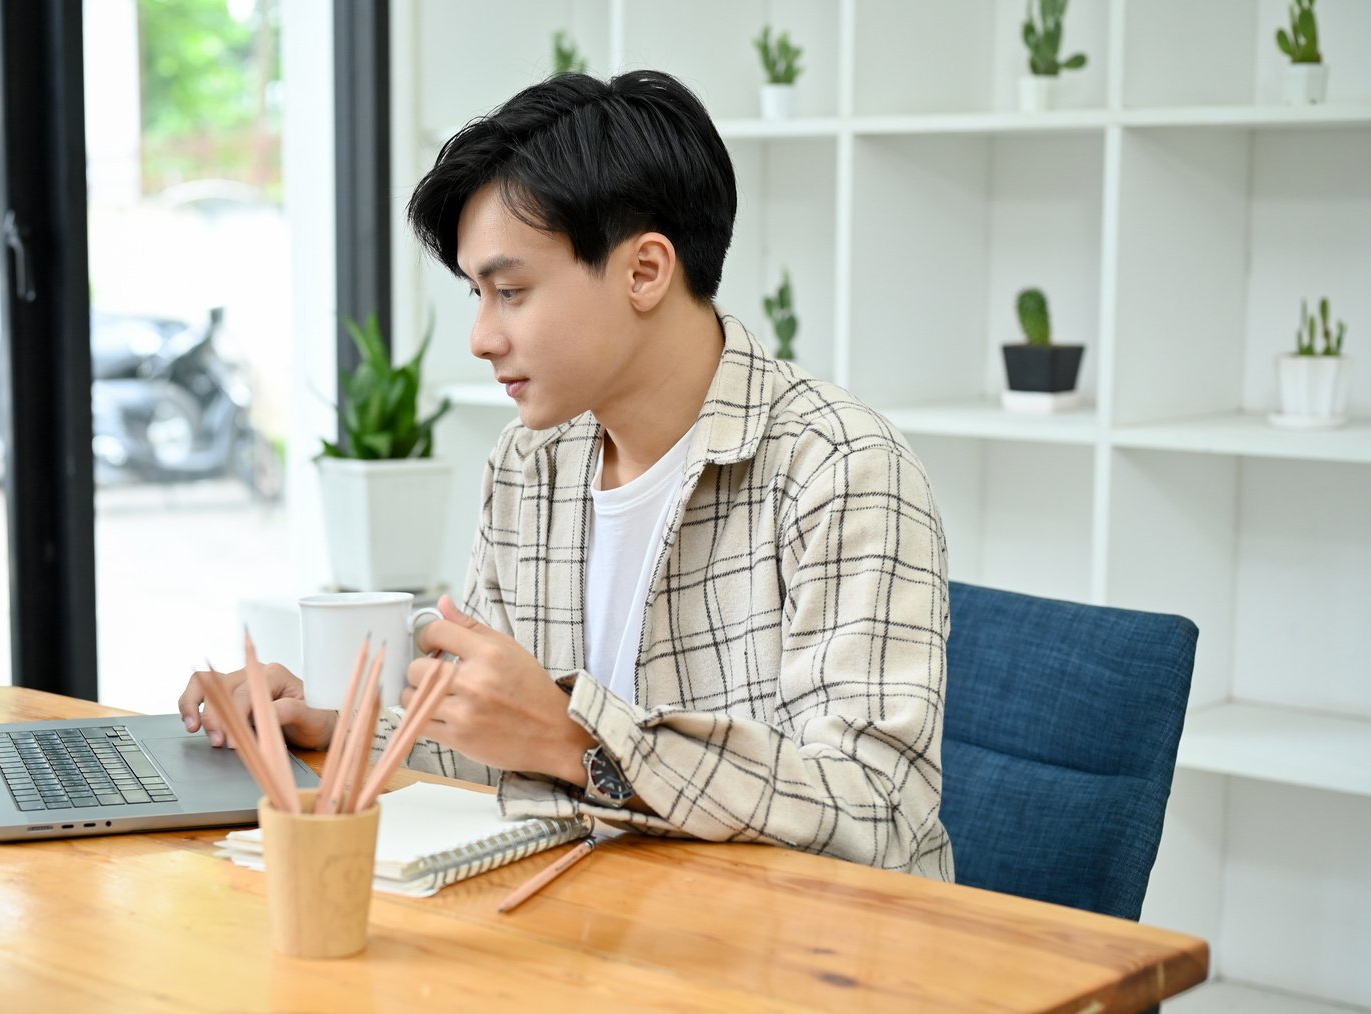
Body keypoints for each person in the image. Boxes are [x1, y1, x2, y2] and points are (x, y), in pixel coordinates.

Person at [180, 69, 954, 880]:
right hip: (607, 923)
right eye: (478, 295)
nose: (481, 337)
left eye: (510, 291)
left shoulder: (840, 467)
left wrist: (572, 737)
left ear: (645, 272)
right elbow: (499, 745)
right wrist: (333, 727)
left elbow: (877, 812)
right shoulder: (531, 465)